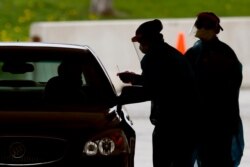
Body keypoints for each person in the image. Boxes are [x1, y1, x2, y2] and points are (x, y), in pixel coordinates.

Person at [117, 19, 199, 167]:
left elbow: (151, 90)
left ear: (147, 41)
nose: (141, 46)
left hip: (170, 126)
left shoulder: (153, 58)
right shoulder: (171, 54)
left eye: (141, 42)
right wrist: (135, 79)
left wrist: (123, 97)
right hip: (189, 125)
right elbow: (162, 82)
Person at [184, 12, 244, 167]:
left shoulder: (203, 54)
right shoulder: (224, 52)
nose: (197, 29)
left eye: (200, 25)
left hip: (211, 122)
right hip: (219, 122)